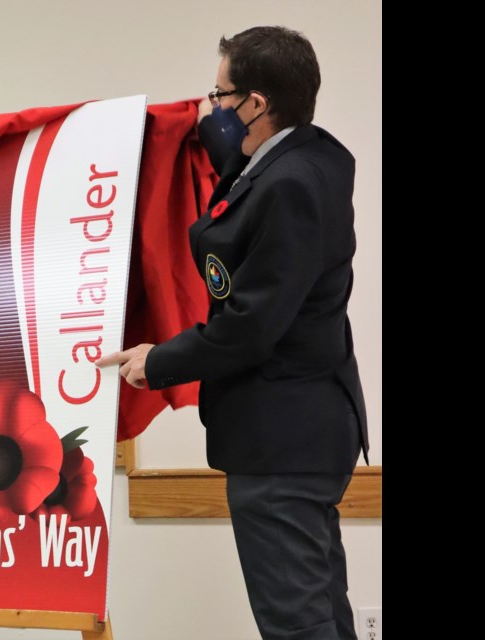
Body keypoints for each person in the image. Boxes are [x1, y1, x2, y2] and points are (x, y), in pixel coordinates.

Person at [98, 27, 368, 640]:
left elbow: (251, 326)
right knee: (323, 607)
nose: (212, 106)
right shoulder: (317, 156)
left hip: (282, 436)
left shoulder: (291, 185)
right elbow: (250, 204)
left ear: (257, 102)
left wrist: (160, 360)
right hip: (309, 423)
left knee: (296, 623)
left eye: (220, 95)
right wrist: (214, 144)